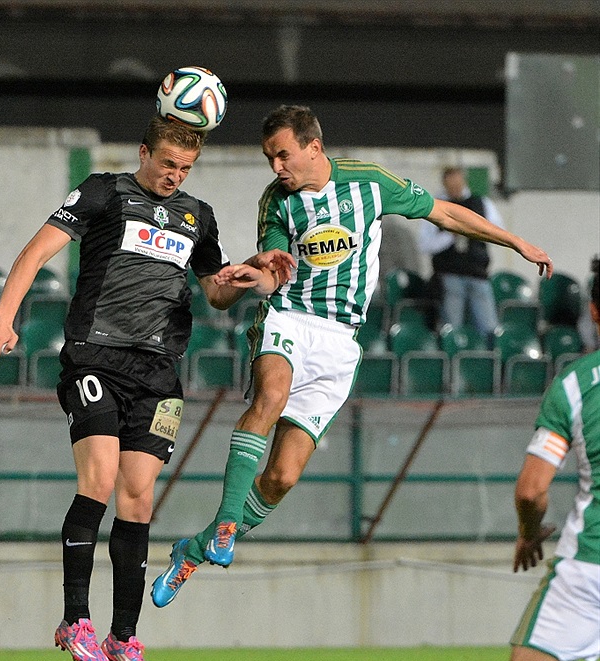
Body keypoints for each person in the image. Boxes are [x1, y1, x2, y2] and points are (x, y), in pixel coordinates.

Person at [151, 104, 554, 607]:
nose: (276, 167)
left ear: (313, 148)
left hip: (342, 341)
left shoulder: (369, 183)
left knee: (281, 478)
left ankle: (194, 548)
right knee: (270, 397)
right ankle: (228, 524)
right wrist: (259, 276)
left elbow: (445, 212)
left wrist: (515, 241)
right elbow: (277, 267)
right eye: (268, 158)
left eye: (282, 155)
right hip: (290, 317)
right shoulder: (276, 201)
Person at [0, 115, 291, 661]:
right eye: (166, 163)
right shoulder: (103, 191)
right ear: (144, 152)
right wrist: (3, 318)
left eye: (184, 168)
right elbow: (34, 252)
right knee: (98, 478)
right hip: (95, 357)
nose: (174, 175)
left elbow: (215, 293)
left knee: (138, 498)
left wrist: (248, 274)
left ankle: (124, 636)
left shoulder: (199, 215)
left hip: (158, 372)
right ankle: (75, 620)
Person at [450, 258, 599, 661]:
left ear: (593, 312)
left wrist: (528, 532)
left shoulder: (572, 385)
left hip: (584, 563)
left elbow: (532, 488)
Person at [419, 166, 503, 345]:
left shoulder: (481, 203)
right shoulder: (436, 205)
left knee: (488, 328)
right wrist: (451, 234)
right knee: (452, 329)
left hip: (478, 274)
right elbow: (425, 244)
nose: (455, 189)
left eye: (458, 184)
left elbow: (498, 231)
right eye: (451, 185)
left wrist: (473, 229)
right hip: (450, 275)